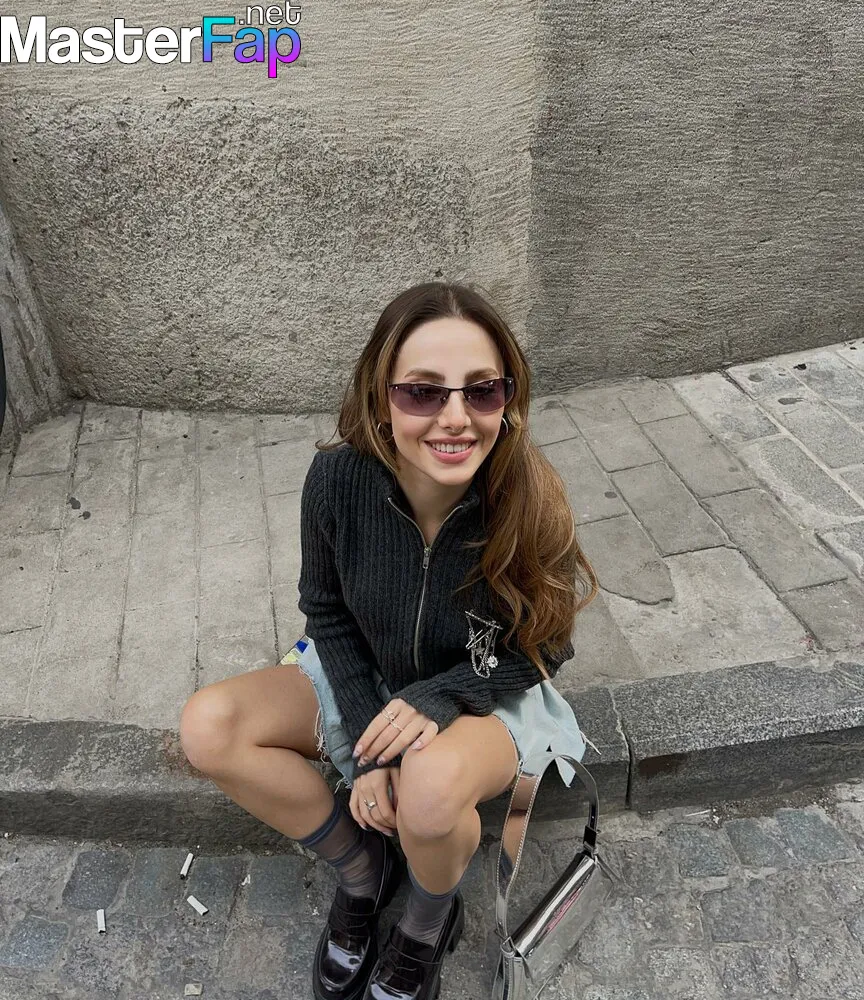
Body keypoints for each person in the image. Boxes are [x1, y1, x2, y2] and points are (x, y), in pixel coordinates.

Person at [179, 281, 599, 1000]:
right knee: (209, 727)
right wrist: (372, 753)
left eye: (482, 390)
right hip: (363, 673)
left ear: (508, 398)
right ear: (381, 397)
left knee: (429, 793)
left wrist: (442, 697)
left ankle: (428, 924)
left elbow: (548, 646)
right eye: (423, 392)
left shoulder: (530, 496)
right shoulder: (336, 479)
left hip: (484, 692)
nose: (456, 417)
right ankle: (363, 872)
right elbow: (326, 613)